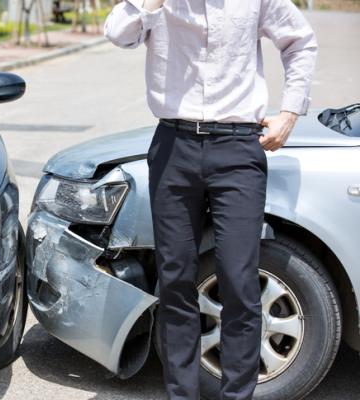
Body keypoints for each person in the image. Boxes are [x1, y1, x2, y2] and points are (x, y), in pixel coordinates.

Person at [105, 0, 317, 399]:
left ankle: (237, 395)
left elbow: (300, 41)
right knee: (175, 280)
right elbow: (118, 33)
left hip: (238, 147)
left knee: (239, 279)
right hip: (174, 142)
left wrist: (289, 111)